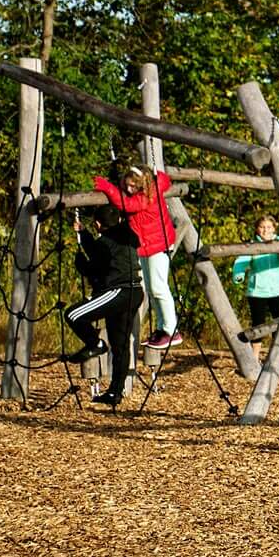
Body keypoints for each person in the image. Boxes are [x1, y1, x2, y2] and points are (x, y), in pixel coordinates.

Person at [62, 193, 147, 406]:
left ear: (99, 224)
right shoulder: (127, 234)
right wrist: (84, 235)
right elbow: (103, 252)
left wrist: (80, 262)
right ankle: (115, 392)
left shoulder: (105, 243)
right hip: (134, 291)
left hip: (117, 291)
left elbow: (94, 267)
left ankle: (95, 342)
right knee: (120, 344)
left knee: (73, 314)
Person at [92, 161, 180, 350]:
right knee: (150, 289)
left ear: (144, 185)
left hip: (159, 245)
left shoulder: (149, 195)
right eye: (127, 184)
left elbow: (128, 204)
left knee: (158, 287)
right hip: (146, 246)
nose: (130, 189)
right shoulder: (145, 190)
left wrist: (108, 187)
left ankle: (172, 329)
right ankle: (162, 328)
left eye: (134, 186)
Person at [232, 215, 279, 337]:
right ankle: (255, 355)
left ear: (274, 228)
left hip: (278, 290)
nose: (266, 230)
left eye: (269, 227)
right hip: (257, 291)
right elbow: (241, 261)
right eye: (262, 227)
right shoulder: (252, 244)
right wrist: (239, 275)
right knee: (257, 325)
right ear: (257, 229)